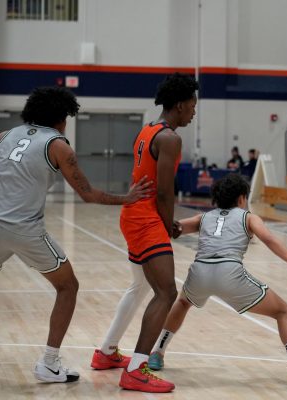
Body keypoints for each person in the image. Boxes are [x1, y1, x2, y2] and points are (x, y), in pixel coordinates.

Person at [0, 87, 152, 383]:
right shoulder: (58, 145)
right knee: (68, 287)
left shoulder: (5, 136)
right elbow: (88, 194)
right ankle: (49, 363)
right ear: (60, 118)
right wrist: (127, 198)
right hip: (25, 231)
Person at [144, 174, 287, 385]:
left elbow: (173, 228)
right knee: (282, 311)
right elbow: (268, 239)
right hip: (228, 272)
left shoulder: (203, 217)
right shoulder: (248, 216)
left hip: (200, 271)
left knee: (183, 302)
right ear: (242, 198)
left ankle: (157, 353)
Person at [90, 73, 198, 393]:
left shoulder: (148, 129)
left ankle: (107, 352)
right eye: (192, 106)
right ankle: (137, 369)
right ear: (179, 105)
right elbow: (164, 193)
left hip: (134, 215)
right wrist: (169, 227)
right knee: (165, 293)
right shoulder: (170, 139)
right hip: (146, 218)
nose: (193, 112)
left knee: (139, 286)